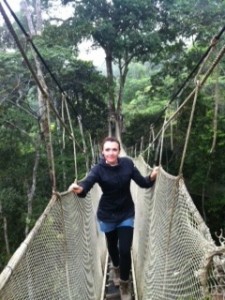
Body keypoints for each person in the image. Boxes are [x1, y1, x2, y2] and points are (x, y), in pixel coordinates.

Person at [68, 136, 158, 300]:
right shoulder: (98, 169)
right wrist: (79, 189)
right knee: (112, 246)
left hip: (126, 213)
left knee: (124, 250)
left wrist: (151, 177)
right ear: (102, 151)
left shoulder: (128, 164)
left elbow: (143, 183)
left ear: (119, 151)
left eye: (114, 149)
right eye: (107, 149)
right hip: (107, 215)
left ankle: (124, 283)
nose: (111, 153)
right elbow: (86, 185)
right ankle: (116, 268)